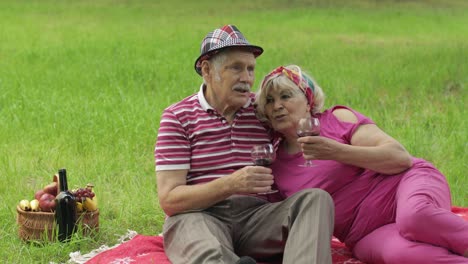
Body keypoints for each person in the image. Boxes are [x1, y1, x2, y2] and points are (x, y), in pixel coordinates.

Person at [154, 26, 334, 264]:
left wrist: (353, 129)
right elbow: (170, 200)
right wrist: (231, 184)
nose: (247, 78)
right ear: (207, 70)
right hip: (201, 216)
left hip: (258, 217)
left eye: (250, 69)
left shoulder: (262, 110)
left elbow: (306, 117)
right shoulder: (178, 117)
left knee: (315, 200)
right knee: (194, 236)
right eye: (236, 68)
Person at [254, 64, 468, 264]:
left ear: (308, 100)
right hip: (364, 233)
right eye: (269, 101)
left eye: (285, 96)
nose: (277, 106)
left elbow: (400, 158)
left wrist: (336, 151)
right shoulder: (275, 163)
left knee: (415, 217)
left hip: (402, 186)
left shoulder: (336, 119)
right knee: (400, 254)